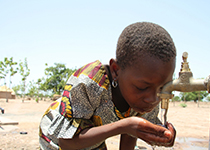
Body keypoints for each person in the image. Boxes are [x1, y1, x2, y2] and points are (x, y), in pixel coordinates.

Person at [39, 22, 176, 150]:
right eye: (141, 87)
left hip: (91, 139)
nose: (153, 99)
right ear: (116, 70)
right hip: (56, 139)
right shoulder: (90, 82)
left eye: (162, 88)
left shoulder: (149, 91)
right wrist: (124, 126)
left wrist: (162, 136)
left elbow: (131, 133)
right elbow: (67, 142)